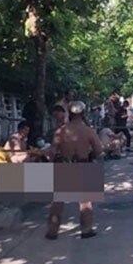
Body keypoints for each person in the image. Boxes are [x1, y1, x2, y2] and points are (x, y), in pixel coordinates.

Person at [45, 101, 104, 240]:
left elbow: (52, 152)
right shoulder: (89, 131)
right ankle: (86, 229)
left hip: (65, 165)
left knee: (58, 201)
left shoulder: (60, 131)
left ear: (69, 114)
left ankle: (52, 231)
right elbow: (99, 151)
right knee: (85, 201)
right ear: (83, 114)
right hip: (83, 164)